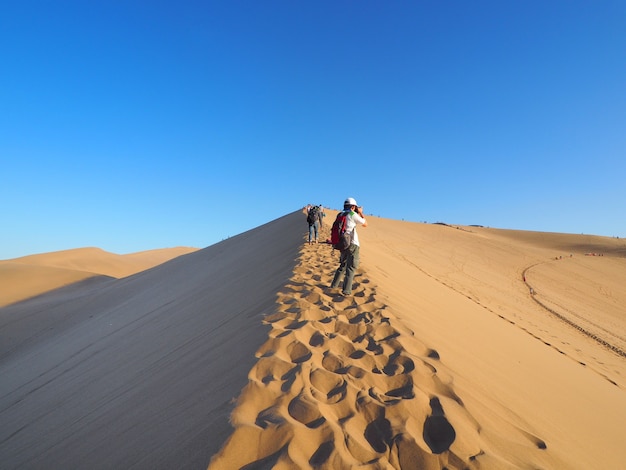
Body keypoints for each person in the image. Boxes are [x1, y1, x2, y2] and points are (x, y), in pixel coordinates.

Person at [330, 197, 367, 295]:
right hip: (352, 244)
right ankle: (346, 291)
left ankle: (334, 285)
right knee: (351, 268)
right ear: (353, 206)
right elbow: (365, 224)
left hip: (342, 243)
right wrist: (360, 212)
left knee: (342, 265)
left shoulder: (340, 214)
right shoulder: (352, 214)